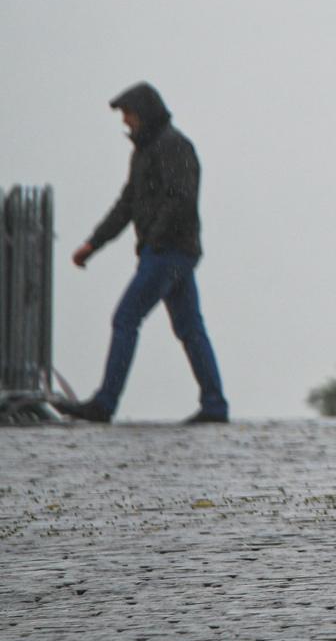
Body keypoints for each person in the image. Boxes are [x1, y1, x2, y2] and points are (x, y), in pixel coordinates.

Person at [56, 84, 225, 425]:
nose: (126, 122)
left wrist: (155, 240)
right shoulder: (146, 152)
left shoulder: (173, 146)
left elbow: (181, 198)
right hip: (170, 252)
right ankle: (214, 405)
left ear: (143, 112)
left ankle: (104, 403)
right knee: (190, 327)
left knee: (126, 318)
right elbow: (128, 203)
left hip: (168, 254)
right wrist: (94, 244)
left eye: (128, 114)